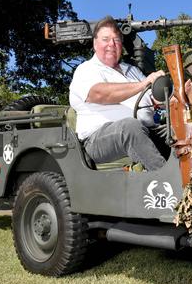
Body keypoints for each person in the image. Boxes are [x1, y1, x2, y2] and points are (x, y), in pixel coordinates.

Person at [69, 16, 166, 170]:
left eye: (116, 40)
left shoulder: (132, 70)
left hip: (146, 129)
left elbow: (153, 98)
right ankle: (167, 183)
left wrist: (172, 92)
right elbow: (99, 94)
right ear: (95, 43)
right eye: (105, 39)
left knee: (177, 130)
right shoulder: (86, 69)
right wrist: (143, 84)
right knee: (130, 127)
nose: (111, 45)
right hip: (98, 139)